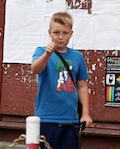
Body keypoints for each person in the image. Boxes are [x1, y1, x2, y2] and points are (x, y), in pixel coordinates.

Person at [31, 12, 93, 149]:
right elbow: (35, 69)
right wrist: (47, 54)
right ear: (49, 32)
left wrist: (86, 113)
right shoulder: (41, 51)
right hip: (47, 118)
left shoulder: (77, 56)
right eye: (56, 32)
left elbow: (82, 86)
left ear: (71, 34)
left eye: (65, 33)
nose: (60, 37)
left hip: (71, 119)